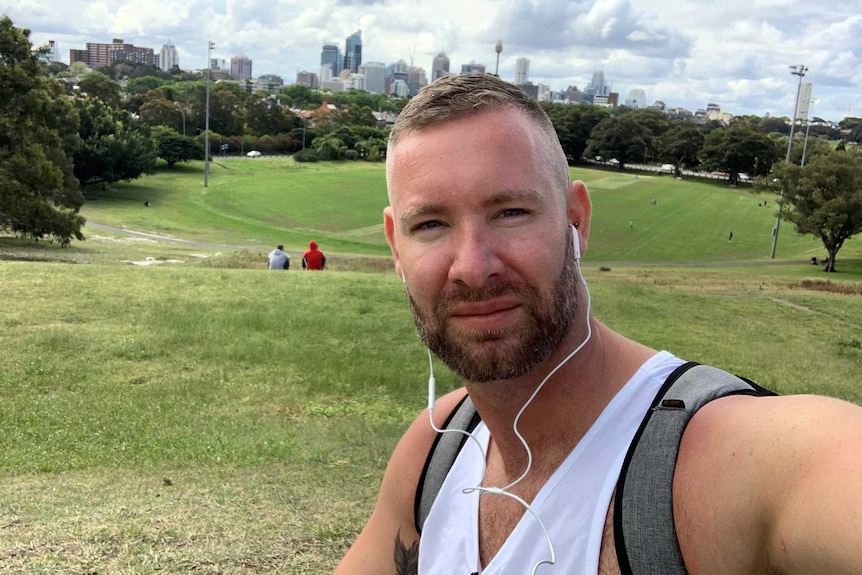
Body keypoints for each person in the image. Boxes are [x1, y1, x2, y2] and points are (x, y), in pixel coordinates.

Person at [334, 74, 862, 575]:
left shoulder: (728, 458)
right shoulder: (436, 451)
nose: (472, 267)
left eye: (511, 212)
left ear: (576, 221)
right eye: (430, 224)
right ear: (396, 247)